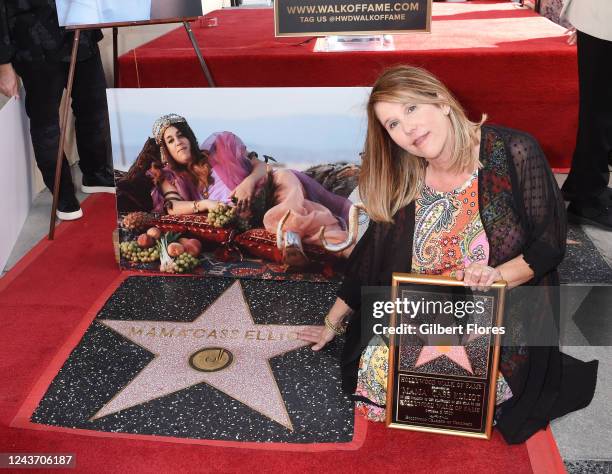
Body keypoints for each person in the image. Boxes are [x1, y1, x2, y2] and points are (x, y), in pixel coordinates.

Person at [298, 66, 598, 444]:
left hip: (501, 305)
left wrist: (496, 275)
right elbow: (371, 256)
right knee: (378, 371)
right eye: (392, 124)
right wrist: (333, 321)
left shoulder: (513, 150)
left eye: (411, 109)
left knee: (470, 382)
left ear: (440, 101)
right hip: (422, 309)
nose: (407, 129)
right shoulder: (407, 175)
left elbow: (549, 244)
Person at [139, 114, 352, 265]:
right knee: (288, 217)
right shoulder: (169, 177)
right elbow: (173, 207)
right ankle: (340, 247)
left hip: (267, 190)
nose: (179, 142)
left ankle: (294, 241)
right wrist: (204, 204)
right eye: (170, 140)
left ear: (189, 138)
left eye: (181, 136)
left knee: (284, 177)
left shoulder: (218, 148)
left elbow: (262, 167)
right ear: (165, 150)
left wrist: (247, 184)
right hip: (246, 215)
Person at [0, 0, 115, 221]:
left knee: (95, 106)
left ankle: (95, 173)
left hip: (80, 32)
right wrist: (3, 64)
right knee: (47, 124)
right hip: (33, 42)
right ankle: (61, 194)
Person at [560, 0, 612, 230]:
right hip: (602, 17)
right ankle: (586, 199)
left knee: (601, 110)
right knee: (599, 112)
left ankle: (582, 185)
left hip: (600, 17)